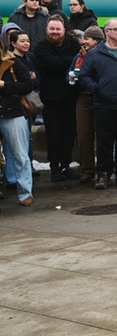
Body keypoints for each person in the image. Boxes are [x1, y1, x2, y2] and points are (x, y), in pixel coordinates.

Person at [78, 19, 117, 190]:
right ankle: (103, 173)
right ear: (107, 32)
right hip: (104, 104)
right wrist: (97, 88)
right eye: (116, 29)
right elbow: (84, 77)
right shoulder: (95, 54)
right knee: (104, 141)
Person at [33, 16, 81, 182]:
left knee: (69, 135)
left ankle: (66, 166)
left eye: (57, 29)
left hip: (71, 98)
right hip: (51, 99)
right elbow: (54, 65)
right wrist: (68, 62)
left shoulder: (73, 44)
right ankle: (55, 168)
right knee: (54, 136)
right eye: (52, 29)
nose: (54, 32)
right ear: (47, 30)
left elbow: (76, 65)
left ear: (64, 31)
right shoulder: (40, 48)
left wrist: (65, 63)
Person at [69, 25, 105, 183]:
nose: (84, 42)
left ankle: (104, 168)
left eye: (88, 39)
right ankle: (87, 170)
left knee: (103, 136)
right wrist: (70, 78)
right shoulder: (78, 57)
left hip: (101, 98)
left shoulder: (105, 55)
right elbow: (69, 72)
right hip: (83, 98)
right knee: (83, 135)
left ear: (97, 40)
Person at [0, 37, 34, 206]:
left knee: (20, 155)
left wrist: (4, 85)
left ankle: (25, 192)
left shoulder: (14, 64)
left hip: (12, 113)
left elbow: (28, 85)